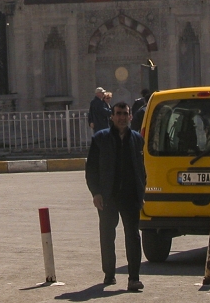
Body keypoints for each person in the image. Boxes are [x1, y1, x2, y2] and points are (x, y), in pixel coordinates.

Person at [85, 101, 147, 292]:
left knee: (133, 236)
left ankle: (134, 278)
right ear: (112, 117)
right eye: (118, 113)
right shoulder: (101, 138)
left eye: (125, 114)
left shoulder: (137, 139)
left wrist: (141, 192)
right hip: (107, 195)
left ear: (130, 117)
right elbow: (92, 169)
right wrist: (96, 193)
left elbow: (141, 170)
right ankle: (109, 274)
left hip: (130, 195)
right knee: (107, 235)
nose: (121, 117)